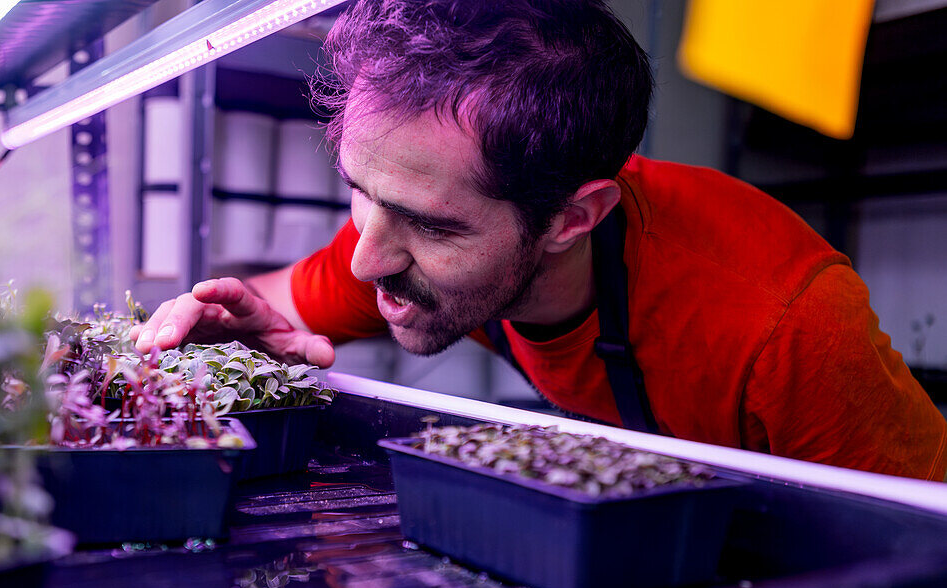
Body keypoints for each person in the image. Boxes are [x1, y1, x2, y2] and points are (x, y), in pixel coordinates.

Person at [132, 0, 946, 481]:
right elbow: (263, 311)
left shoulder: (788, 328)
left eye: (430, 223)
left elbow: (921, 556)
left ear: (572, 220)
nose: (364, 257)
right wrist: (229, 340)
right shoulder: (403, 238)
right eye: (359, 189)